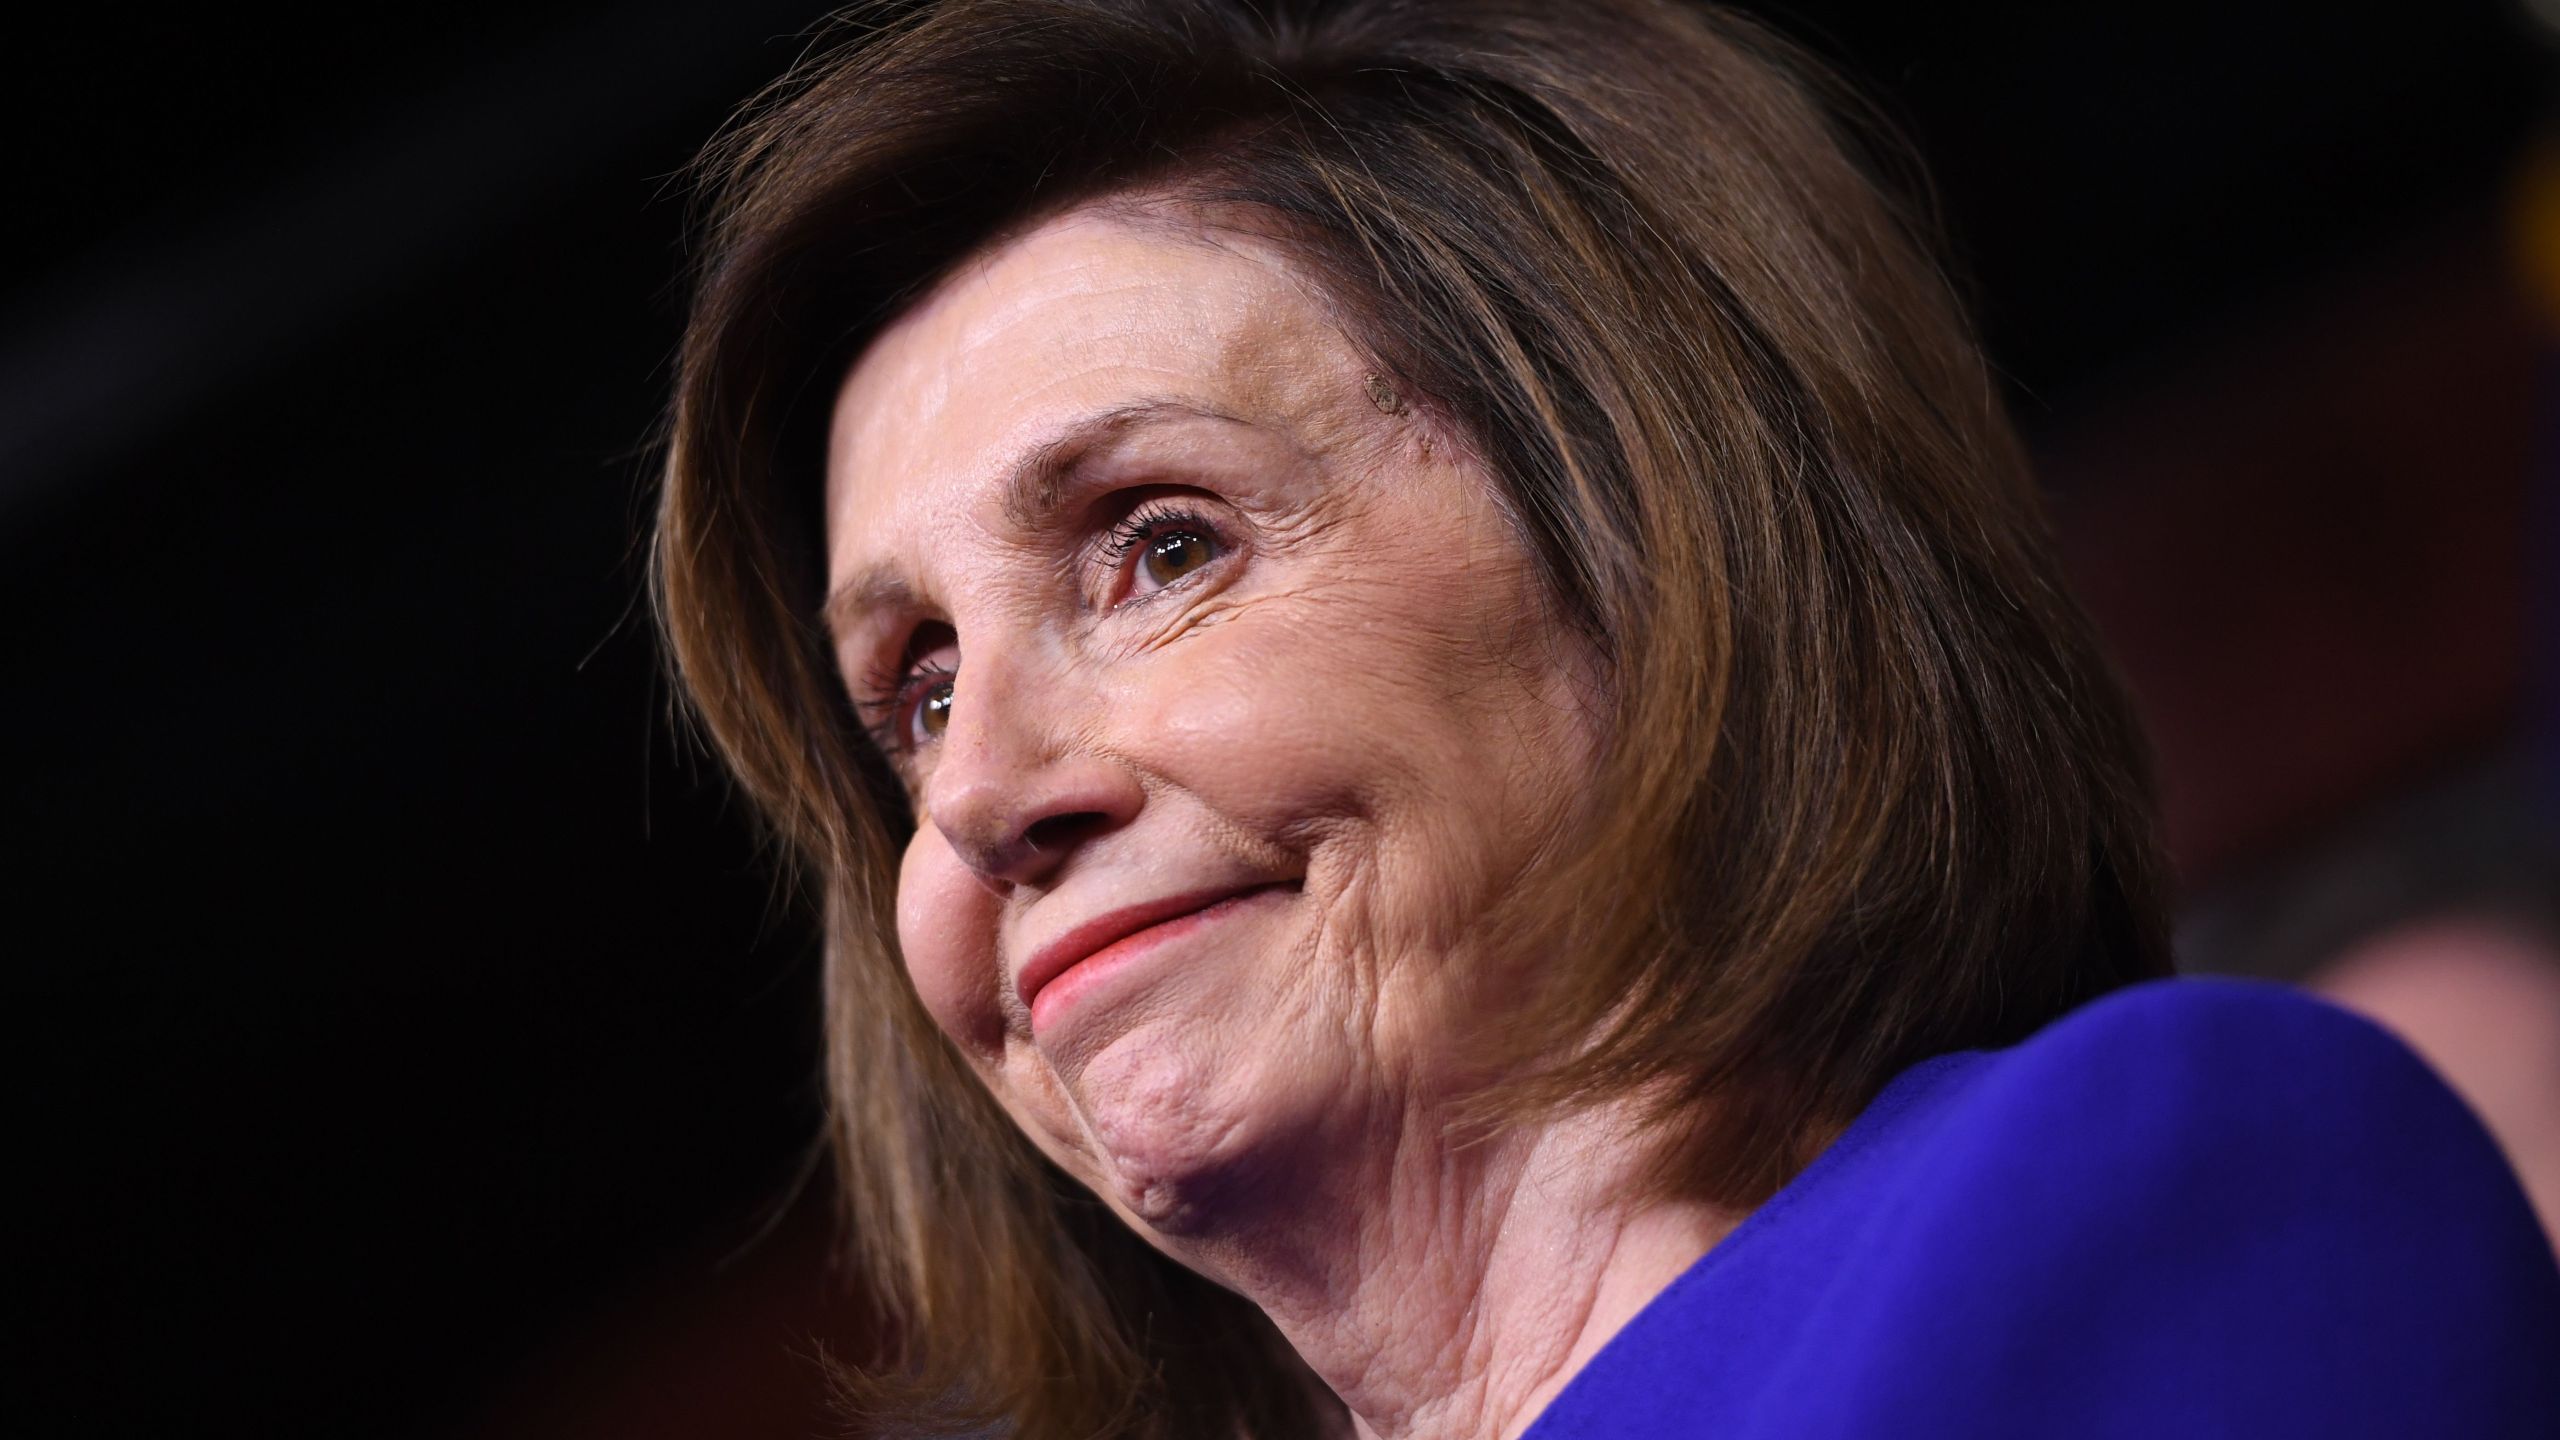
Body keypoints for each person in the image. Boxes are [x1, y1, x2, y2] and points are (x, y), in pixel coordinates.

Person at [652, 1, 2560, 1436]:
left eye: (1160, 547)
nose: (977, 792)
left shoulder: (2171, 1192)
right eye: (915, 689)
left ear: (1658, 569)